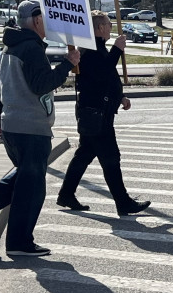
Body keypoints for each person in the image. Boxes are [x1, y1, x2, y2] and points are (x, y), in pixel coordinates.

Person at [0, 0, 80, 257]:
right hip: (31, 126)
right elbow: (42, 84)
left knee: (27, 177)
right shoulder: (31, 48)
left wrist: (0, 119)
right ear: (37, 20)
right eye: (46, 18)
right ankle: (18, 242)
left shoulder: (11, 48)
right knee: (32, 187)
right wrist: (67, 63)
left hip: (13, 124)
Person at [56, 11, 150, 215]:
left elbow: (107, 80)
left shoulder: (97, 49)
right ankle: (123, 202)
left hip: (99, 112)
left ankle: (66, 194)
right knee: (111, 158)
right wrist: (117, 49)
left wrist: (120, 97)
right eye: (108, 24)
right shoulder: (90, 51)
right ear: (99, 28)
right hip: (96, 114)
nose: (110, 27)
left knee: (84, 154)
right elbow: (101, 74)